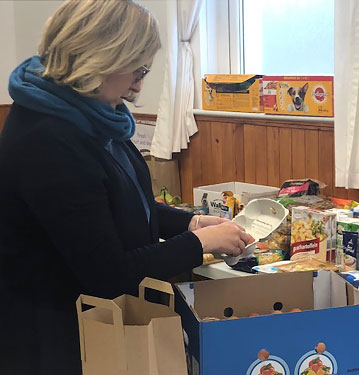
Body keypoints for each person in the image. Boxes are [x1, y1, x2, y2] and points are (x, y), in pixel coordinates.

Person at [0, 1, 254, 374]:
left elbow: (122, 196)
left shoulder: (93, 112)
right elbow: (108, 272)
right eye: (137, 69)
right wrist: (200, 245)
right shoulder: (49, 138)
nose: (138, 85)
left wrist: (187, 224)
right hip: (53, 332)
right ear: (100, 58)